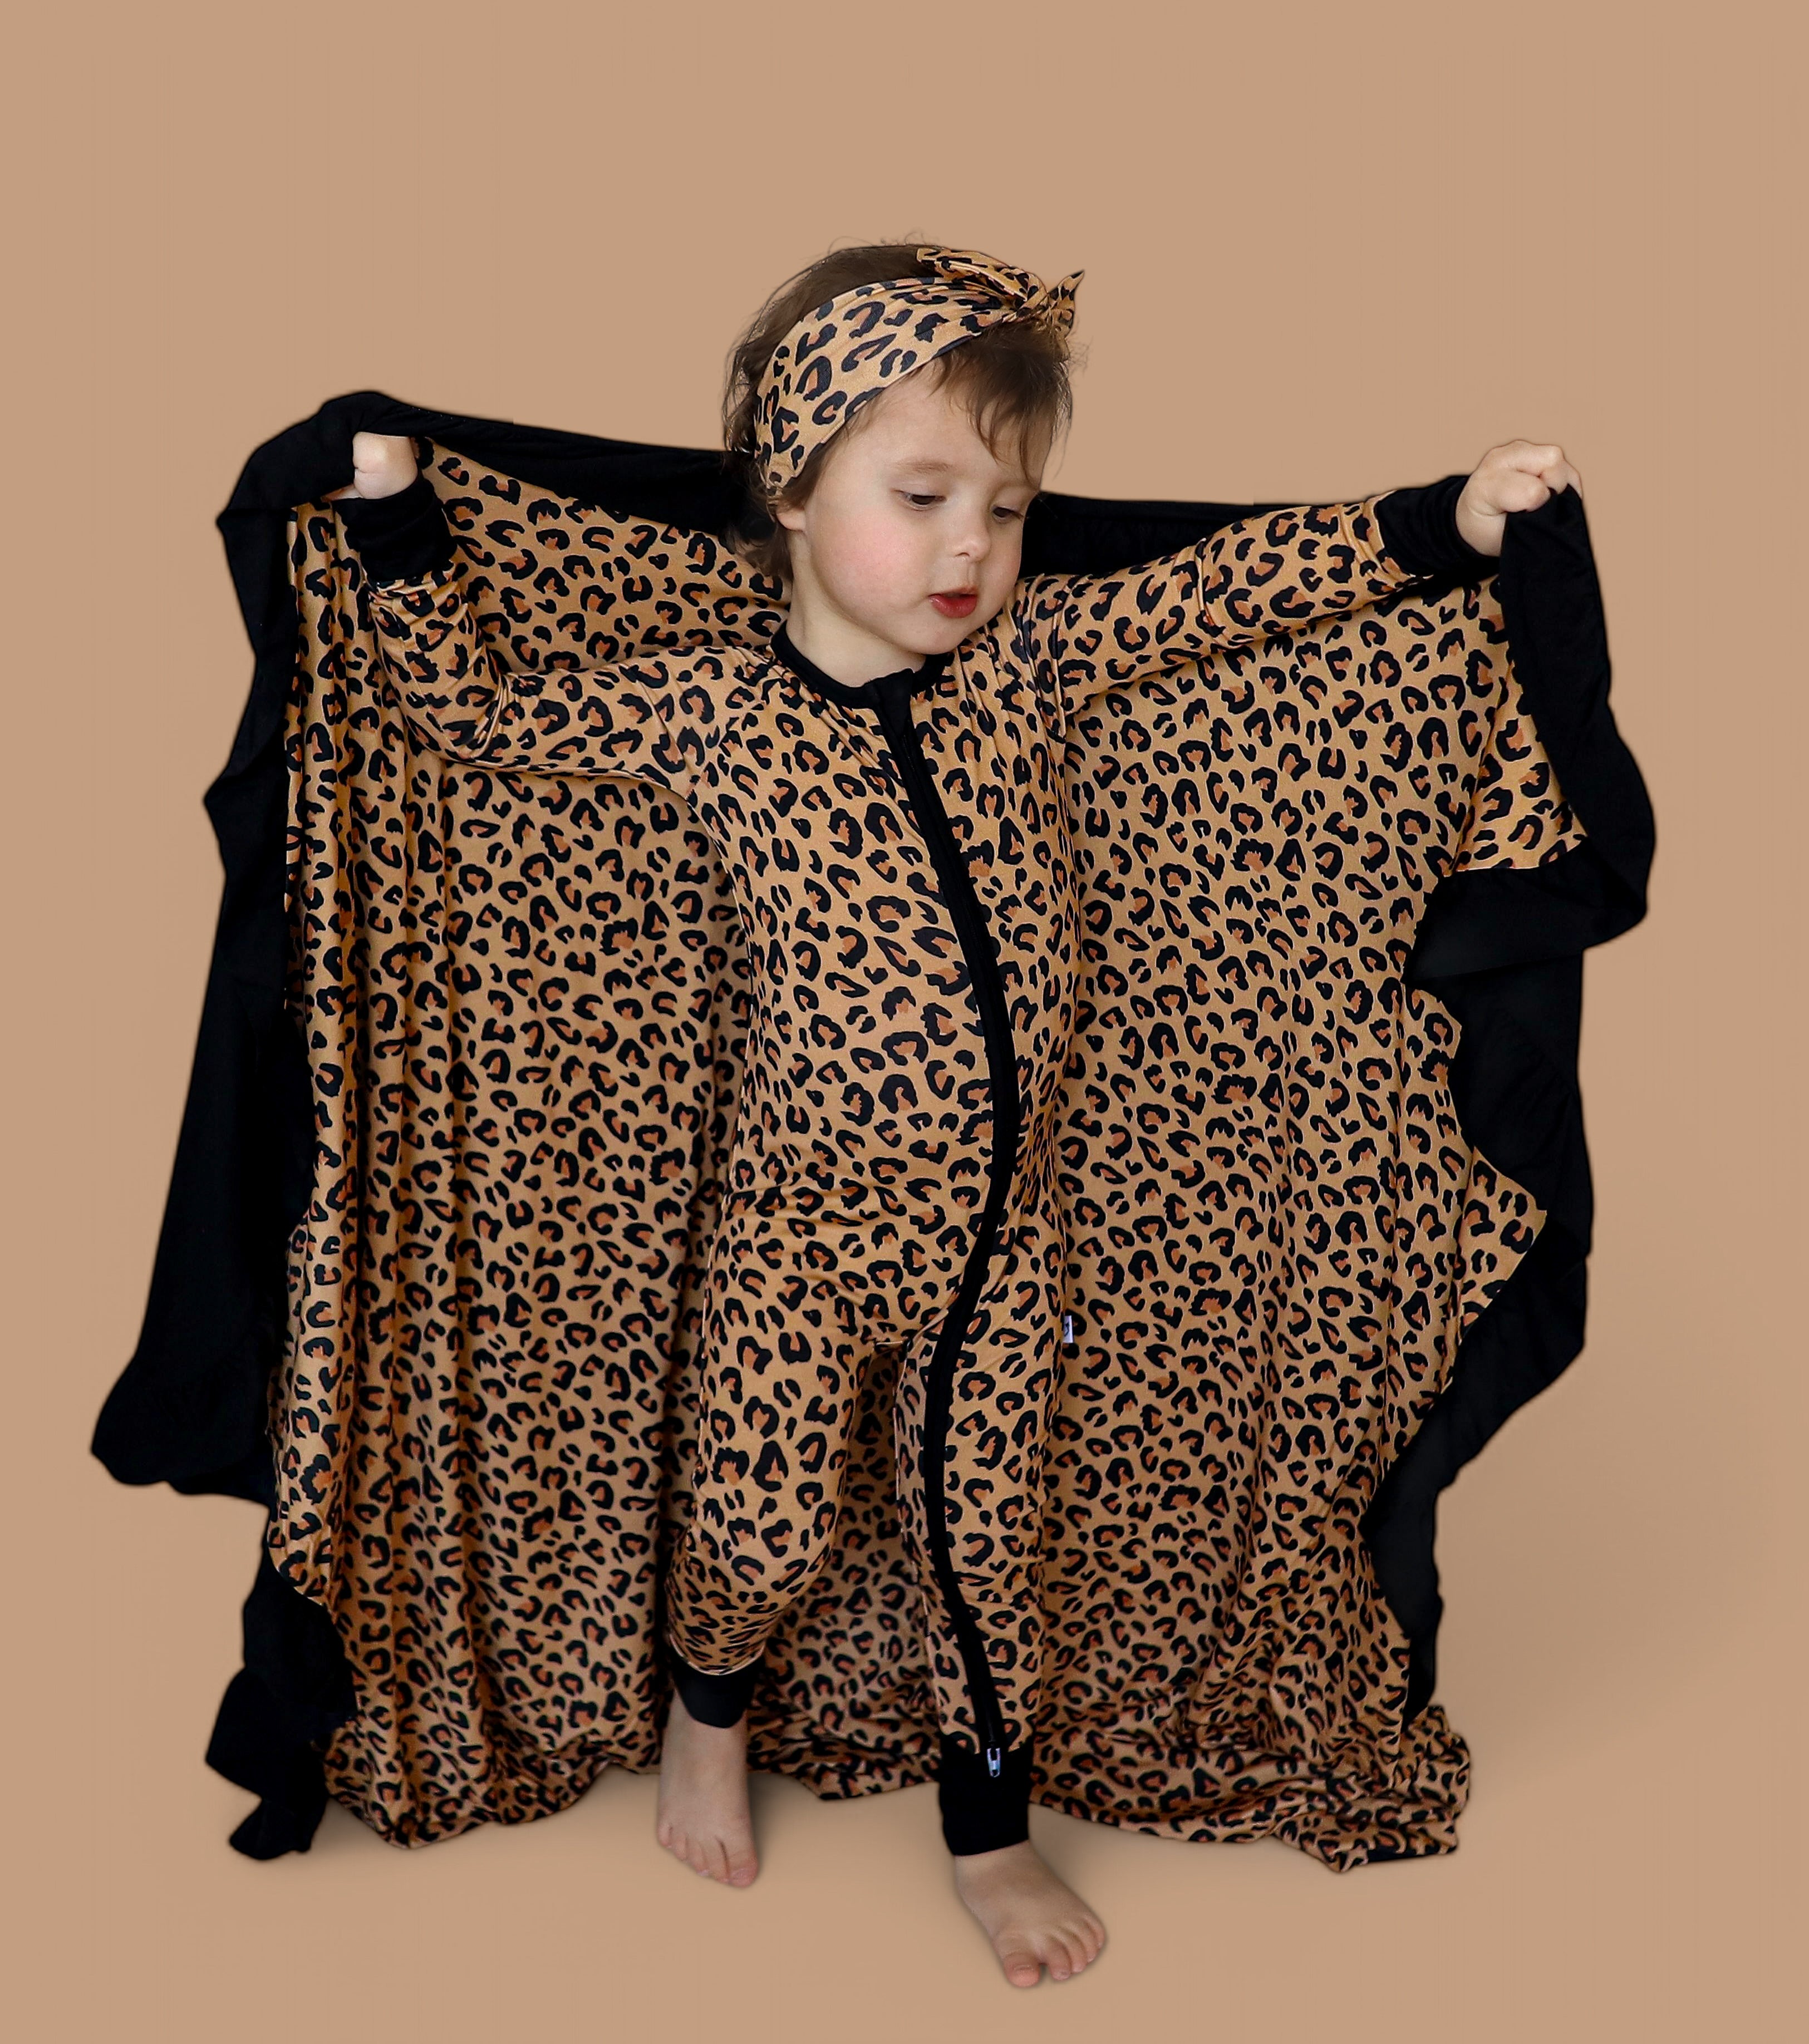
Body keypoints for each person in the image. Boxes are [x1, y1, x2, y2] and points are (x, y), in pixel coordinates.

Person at [330, 242, 1579, 1988]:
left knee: (987, 1544)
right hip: (795, 1238)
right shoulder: (714, 711)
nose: (969, 549)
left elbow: (1219, 590)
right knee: (755, 1528)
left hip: (1004, 1240)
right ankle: (705, 1718)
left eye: (1003, 508)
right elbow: (472, 717)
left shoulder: (1027, 662)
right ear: (788, 486)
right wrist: (396, 532)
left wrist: (1438, 520)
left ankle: (986, 1832)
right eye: (919, 498)